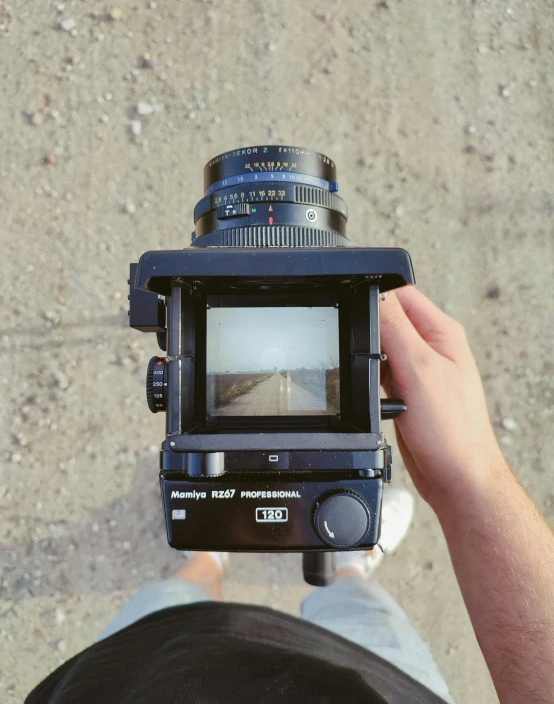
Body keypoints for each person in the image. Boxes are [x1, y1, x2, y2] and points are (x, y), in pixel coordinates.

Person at [26, 288, 554, 704]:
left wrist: (474, 485)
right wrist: (474, 481)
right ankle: (341, 561)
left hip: (141, 671)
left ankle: (210, 550)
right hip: (385, 683)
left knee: (168, 606)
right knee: (362, 614)